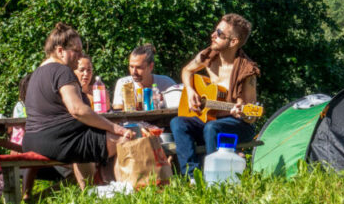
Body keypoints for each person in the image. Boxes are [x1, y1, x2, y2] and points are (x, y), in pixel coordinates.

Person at [22, 22, 136, 188]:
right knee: (123, 140)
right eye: (76, 51)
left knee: (87, 141)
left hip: (31, 140)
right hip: (56, 141)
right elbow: (77, 110)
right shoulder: (62, 71)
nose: (80, 55)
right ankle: (122, 193)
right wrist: (115, 128)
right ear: (60, 50)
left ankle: (89, 193)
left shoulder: (36, 73)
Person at [170, 13, 260, 176]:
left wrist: (242, 113)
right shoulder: (208, 56)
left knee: (212, 128)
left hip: (237, 124)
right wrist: (190, 91)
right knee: (178, 123)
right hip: (210, 118)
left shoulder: (247, 72)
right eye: (215, 31)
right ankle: (192, 177)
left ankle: (214, 177)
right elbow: (187, 70)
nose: (213, 35)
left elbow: (251, 117)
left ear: (233, 42)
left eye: (219, 34)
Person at [111, 44, 177, 108]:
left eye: (139, 67)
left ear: (151, 66)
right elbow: (117, 111)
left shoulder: (166, 83)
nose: (134, 72)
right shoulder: (123, 83)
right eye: (131, 66)